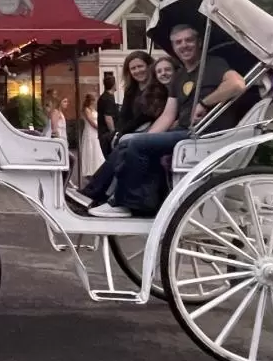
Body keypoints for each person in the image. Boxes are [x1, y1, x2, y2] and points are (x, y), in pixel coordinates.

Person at [87, 24, 246, 218]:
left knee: (135, 143)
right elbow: (168, 115)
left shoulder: (213, 64)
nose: (184, 45)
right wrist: (146, 137)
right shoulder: (179, 76)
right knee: (127, 142)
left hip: (205, 134)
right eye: (178, 42)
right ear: (173, 47)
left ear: (198, 43)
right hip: (184, 133)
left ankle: (129, 204)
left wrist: (205, 103)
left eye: (188, 40)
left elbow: (237, 84)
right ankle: (93, 194)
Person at [78, 53, 168, 207]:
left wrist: (123, 133)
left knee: (123, 147)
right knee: (116, 145)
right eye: (133, 68)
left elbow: (148, 115)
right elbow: (124, 116)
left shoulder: (157, 87)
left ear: (149, 66)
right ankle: (101, 195)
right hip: (132, 130)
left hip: (150, 130)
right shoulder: (131, 90)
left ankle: (94, 192)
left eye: (140, 66)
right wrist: (119, 132)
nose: (137, 71)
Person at [78, 94, 105, 187]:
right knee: (91, 151)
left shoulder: (94, 110)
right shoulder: (87, 110)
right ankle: (90, 172)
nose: (94, 102)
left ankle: (97, 171)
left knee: (97, 151)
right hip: (90, 132)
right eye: (93, 100)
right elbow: (91, 121)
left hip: (96, 133)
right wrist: (100, 128)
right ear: (90, 101)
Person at [96, 75, 117, 157]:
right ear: (113, 84)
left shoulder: (105, 97)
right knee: (112, 159)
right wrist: (114, 134)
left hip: (104, 134)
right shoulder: (108, 98)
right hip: (107, 135)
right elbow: (108, 117)